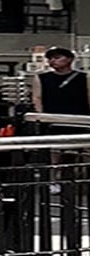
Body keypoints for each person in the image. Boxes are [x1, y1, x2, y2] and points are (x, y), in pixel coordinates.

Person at [33, 46, 90, 190]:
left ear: (69, 59)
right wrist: (42, 116)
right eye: (50, 58)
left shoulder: (83, 77)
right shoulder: (42, 78)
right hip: (53, 119)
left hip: (79, 119)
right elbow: (37, 98)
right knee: (55, 152)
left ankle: (82, 180)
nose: (53, 61)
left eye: (57, 57)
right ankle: (54, 181)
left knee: (84, 151)